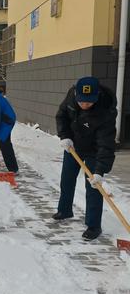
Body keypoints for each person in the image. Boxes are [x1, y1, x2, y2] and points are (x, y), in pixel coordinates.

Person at [53, 77, 117, 241]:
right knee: (66, 179)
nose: (85, 105)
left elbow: (106, 144)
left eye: (89, 102)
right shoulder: (71, 97)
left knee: (93, 186)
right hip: (73, 145)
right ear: (76, 94)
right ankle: (65, 210)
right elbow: (62, 116)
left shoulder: (105, 111)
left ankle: (93, 226)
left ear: (96, 97)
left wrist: (100, 171)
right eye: (82, 101)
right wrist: (65, 136)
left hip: (95, 150)